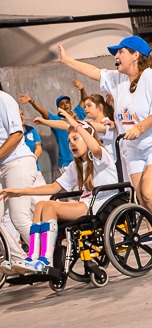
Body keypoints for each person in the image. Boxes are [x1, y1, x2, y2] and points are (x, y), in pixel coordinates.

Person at [56, 36, 152, 266]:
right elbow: (93, 71)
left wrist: (139, 127)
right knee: (144, 198)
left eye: (120, 52)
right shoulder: (118, 79)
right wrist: (67, 60)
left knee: (149, 189)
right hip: (134, 147)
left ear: (135, 55)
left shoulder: (150, 77)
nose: (116, 57)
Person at [0, 110, 118, 274]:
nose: (72, 144)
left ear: (87, 138)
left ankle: (44, 260)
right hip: (86, 205)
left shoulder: (100, 156)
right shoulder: (74, 166)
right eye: (69, 141)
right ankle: (34, 256)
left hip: (101, 205)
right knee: (42, 204)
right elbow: (54, 188)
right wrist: (20, 191)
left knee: (50, 206)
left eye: (75, 139)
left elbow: (93, 145)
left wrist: (74, 123)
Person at [18, 80, 87, 173]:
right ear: (58, 108)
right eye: (61, 103)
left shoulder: (77, 113)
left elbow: (84, 100)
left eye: (67, 102)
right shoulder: (56, 120)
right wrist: (31, 101)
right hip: (67, 163)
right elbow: (43, 111)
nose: (65, 105)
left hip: (83, 158)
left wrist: (82, 89)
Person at [0, 91, 38, 252]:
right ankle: (17, 259)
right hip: (2, 166)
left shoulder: (3, 99)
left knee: (19, 217)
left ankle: (48, 257)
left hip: (17, 162)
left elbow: (16, 135)